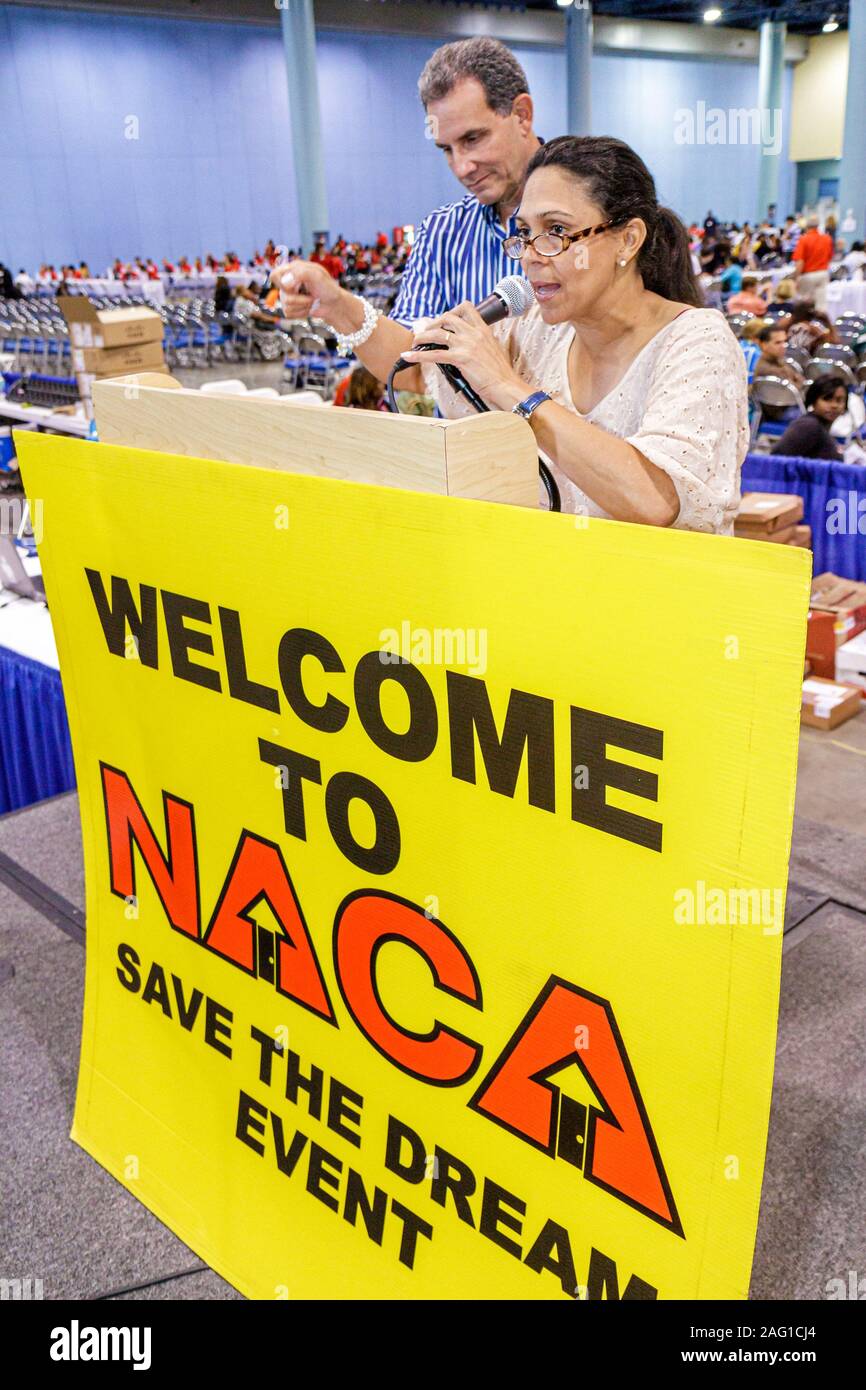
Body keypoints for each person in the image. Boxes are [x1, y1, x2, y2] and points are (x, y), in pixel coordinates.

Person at [401, 135, 746, 532]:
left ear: (629, 240)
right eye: (525, 232)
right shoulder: (536, 330)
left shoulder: (697, 340)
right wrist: (340, 306)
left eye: (556, 230)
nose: (531, 253)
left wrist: (506, 385)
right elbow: (416, 370)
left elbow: (654, 501)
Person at [271, 36, 547, 384]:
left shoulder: (594, 210)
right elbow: (411, 371)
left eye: (473, 139)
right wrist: (336, 305)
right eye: (446, 149)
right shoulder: (443, 233)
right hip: (463, 436)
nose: (462, 167)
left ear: (522, 115)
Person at [771, 377, 847, 459]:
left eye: (839, 400)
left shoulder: (822, 428)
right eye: (827, 399)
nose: (834, 405)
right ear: (813, 401)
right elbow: (777, 460)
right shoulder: (809, 426)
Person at [793, 216, 833, 311]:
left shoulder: (804, 239)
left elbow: (800, 261)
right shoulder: (827, 239)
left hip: (808, 275)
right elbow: (829, 257)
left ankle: (806, 324)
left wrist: (796, 278)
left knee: (805, 305)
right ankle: (820, 324)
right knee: (821, 305)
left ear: (807, 226)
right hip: (823, 273)